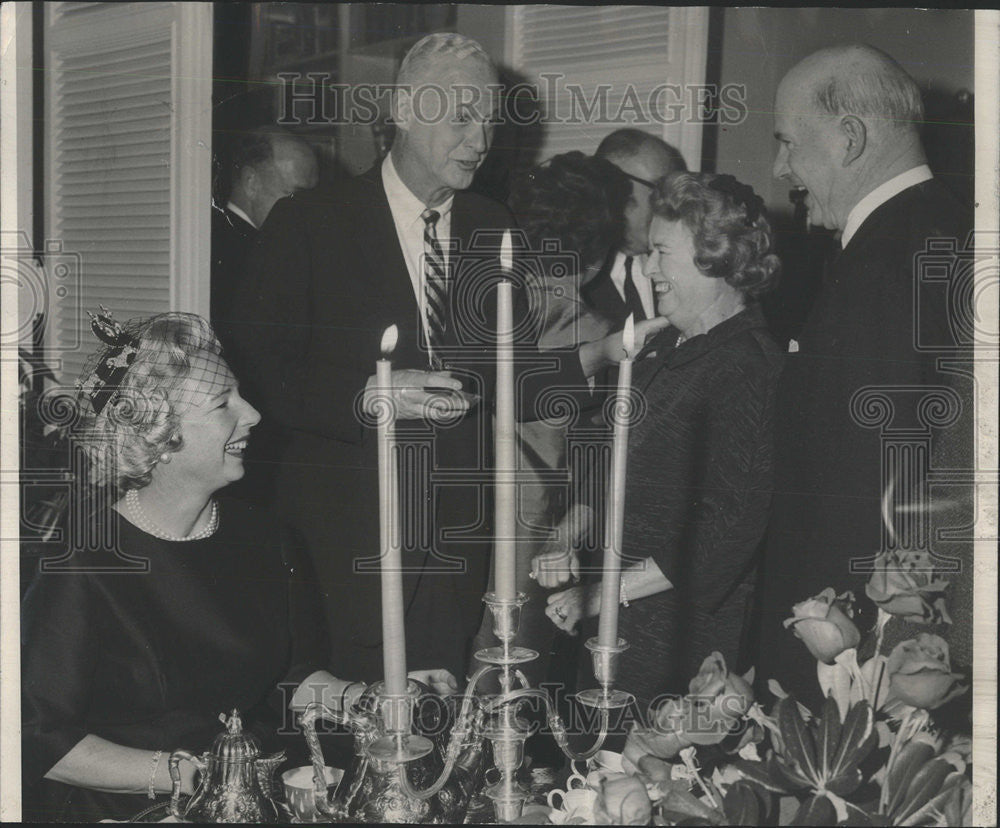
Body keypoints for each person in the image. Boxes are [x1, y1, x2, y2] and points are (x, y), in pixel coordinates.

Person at [225, 34, 666, 684]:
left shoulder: (495, 227)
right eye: (461, 117)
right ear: (403, 110)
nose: (479, 139)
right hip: (343, 550)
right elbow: (257, 369)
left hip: (455, 549)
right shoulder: (311, 222)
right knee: (347, 750)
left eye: (488, 120)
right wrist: (369, 395)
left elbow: (505, 379)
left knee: (441, 751)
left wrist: (599, 355)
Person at [20, 312, 455, 823]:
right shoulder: (85, 562)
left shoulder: (264, 536)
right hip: (137, 807)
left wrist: (368, 699)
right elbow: (37, 736)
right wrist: (190, 776)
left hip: (256, 799)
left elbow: (288, 678)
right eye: (223, 403)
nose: (251, 414)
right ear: (158, 433)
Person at [758, 45, 974, 706]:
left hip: (849, 663)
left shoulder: (883, 266)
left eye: (789, 143)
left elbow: (865, 493)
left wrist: (828, 655)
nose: (780, 167)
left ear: (850, 138)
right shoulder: (941, 231)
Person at [538, 172, 783, 711]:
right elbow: (604, 457)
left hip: (679, 647)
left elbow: (727, 531)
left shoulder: (747, 366)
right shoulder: (665, 344)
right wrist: (569, 530)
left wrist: (602, 593)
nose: (647, 269)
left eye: (659, 253)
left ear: (715, 256)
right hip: (614, 626)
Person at [471, 151, 632, 688]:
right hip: (534, 542)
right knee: (508, 684)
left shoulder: (475, 310)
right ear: (595, 254)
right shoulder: (596, 332)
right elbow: (599, 457)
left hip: (457, 526)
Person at [211, 128, 318, 326]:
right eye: (297, 196)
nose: (310, 212)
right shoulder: (240, 256)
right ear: (252, 183)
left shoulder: (216, 237)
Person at [584, 129, 687, 327]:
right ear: (612, 186)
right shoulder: (573, 275)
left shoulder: (675, 266)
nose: (671, 204)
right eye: (660, 188)